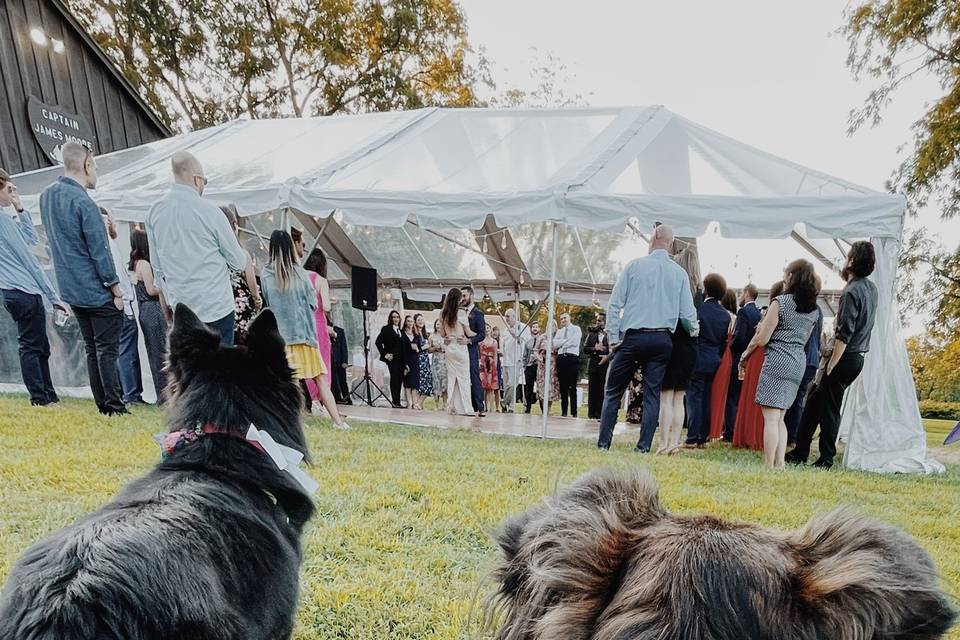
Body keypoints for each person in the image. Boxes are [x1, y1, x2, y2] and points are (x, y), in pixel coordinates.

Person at [40, 142, 127, 416]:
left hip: (70, 287)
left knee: (92, 348)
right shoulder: (84, 203)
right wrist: (116, 289)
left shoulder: (47, 196)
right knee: (107, 350)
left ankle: (103, 404)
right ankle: (114, 405)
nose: (97, 173)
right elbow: (99, 252)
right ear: (87, 164)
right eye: (96, 167)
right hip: (95, 288)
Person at [597, 225, 699, 452]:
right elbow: (687, 315)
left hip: (632, 337)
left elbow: (614, 305)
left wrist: (613, 338)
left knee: (613, 391)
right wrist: (694, 330)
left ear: (653, 238)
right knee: (652, 394)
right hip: (662, 340)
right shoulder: (679, 273)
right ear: (671, 243)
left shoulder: (634, 266)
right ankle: (643, 447)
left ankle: (604, 443)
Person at [788, 242, 879, 468]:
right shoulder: (871, 289)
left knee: (829, 408)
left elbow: (844, 333)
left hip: (844, 357)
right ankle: (800, 450)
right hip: (857, 356)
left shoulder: (851, 291)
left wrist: (830, 365)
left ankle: (826, 457)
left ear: (851, 260)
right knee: (814, 404)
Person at [146, 152, 247, 346]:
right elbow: (238, 262)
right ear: (196, 178)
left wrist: (167, 305)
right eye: (205, 181)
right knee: (219, 371)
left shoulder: (154, 213)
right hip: (216, 308)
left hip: (183, 310)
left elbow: (157, 267)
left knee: (190, 372)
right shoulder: (211, 212)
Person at [260, 230, 349, 429]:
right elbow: (313, 304)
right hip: (305, 335)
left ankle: (290, 422)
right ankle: (338, 422)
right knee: (320, 380)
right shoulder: (301, 273)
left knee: (285, 382)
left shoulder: (266, 274)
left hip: (281, 337)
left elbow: (267, 302)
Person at [739, 260, 821, 469]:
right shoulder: (814, 310)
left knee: (771, 419)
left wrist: (746, 354)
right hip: (797, 363)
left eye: (786, 273)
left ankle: (768, 464)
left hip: (777, 360)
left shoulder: (780, 302)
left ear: (792, 276)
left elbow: (763, 337)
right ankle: (780, 463)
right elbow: (806, 338)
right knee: (781, 417)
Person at [0, 169, 68, 407]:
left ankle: (47, 394)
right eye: (9, 189)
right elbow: (30, 260)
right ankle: (40, 397)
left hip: (15, 291)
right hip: (23, 289)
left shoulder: (7, 219)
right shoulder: (3, 221)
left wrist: (19, 207)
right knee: (32, 345)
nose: (13, 192)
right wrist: (53, 296)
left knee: (38, 344)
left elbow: (29, 239)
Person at [733, 281, 783, 452]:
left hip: (759, 356)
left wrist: (745, 354)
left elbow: (759, 338)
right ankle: (758, 436)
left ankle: (749, 435)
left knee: (753, 396)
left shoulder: (773, 309)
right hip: (770, 356)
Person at [101, 208, 144, 406]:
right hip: (122, 305)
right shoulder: (108, 245)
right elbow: (116, 275)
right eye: (112, 220)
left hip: (120, 304)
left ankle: (126, 392)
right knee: (126, 352)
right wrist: (124, 301)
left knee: (121, 351)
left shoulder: (105, 245)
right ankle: (131, 394)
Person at [684, 274, 730, 447]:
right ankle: (703, 437)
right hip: (714, 359)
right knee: (707, 398)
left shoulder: (699, 310)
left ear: (706, 289)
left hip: (698, 355)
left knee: (694, 397)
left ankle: (692, 437)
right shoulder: (725, 315)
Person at [128, 229, 169, 404]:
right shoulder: (144, 264)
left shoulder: (134, 264)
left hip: (144, 310)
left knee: (154, 351)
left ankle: (162, 393)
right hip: (153, 309)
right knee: (160, 351)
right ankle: (164, 394)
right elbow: (151, 289)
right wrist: (165, 286)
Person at [784, 275, 823, 445]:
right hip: (812, 359)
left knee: (789, 398)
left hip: (800, 355)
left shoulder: (801, 307)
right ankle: (793, 437)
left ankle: (787, 435)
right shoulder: (818, 310)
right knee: (799, 399)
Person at [218, 205, 262, 344]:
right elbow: (252, 284)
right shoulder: (242, 254)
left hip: (222, 306)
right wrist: (257, 300)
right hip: (243, 307)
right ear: (234, 225)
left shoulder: (214, 256)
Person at [724, 284, 761, 441]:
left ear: (746, 293)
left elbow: (739, 336)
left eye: (741, 293)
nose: (739, 296)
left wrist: (728, 350)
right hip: (752, 359)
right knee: (742, 397)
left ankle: (730, 432)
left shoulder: (744, 312)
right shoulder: (758, 314)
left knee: (732, 396)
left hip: (739, 357)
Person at [656, 318, 697, 455]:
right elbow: (691, 324)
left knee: (666, 398)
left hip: (668, 344)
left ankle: (663, 443)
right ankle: (674, 443)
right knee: (679, 398)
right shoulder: (690, 302)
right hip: (688, 348)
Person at [437, 287, 476, 416]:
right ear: (459, 299)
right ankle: (466, 408)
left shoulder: (443, 314)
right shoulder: (462, 313)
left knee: (452, 377)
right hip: (460, 347)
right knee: (464, 378)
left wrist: (448, 337)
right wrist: (478, 335)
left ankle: (452, 406)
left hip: (450, 348)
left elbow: (442, 334)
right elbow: (469, 332)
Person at [302, 248, 333, 405]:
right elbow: (326, 306)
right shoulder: (321, 280)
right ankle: (318, 400)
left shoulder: (300, 277)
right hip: (318, 324)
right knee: (321, 362)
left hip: (303, 323)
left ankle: (309, 399)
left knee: (305, 360)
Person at [708, 289, 739, 440]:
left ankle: (711, 427)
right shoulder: (734, 317)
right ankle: (717, 428)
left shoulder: (721, 315)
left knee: (713, 392)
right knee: (722, 395)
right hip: (728, 356)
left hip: (720, 353)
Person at [461, 286, 487, 415]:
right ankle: (466, 406)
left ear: (471, 296)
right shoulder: (459, 312)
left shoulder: (478, 313)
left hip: (471, 351)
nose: (462, 298)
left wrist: (470, 341)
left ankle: (480, 407)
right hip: (459, 350)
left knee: (474, 378)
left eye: (464, 296)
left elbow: (482, 334)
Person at [553, 311, 583, 418]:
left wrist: (563, 342)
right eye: (561, 319)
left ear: (569, 318)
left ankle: (574, 412)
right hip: (561, 358)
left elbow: (575, 342)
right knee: (563, 386)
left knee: (572, 386)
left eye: (564, 318)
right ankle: (564, 411)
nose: (563, 320)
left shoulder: (576, 329)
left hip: (572, 358)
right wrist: (565, 341)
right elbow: (555, 344)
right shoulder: (560, 331)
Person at [375, 310, 404, 408]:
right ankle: (394, 401)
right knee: (394, 378)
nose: (396, 319)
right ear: (391, 319)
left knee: (399, 379)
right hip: (392, 359)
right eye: (394, 317)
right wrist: (385, 354)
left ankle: (397, 401)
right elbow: (378, 342)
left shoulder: (400, 331)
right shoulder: (386, 329)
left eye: (397, 317)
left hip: (401, 359)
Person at [584, 312, 610, 420]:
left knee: (601, 389)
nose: (598, 322)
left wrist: (605, 351)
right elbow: (585, 348)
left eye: (600, 320)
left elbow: (614, 349)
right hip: (594, 363)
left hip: (605, 363)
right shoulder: (592, 334)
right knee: (592, 389)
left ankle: (600, 413)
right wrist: (595, 348)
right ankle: (591, 413)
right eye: (597, 320)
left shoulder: (610, 334)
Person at [500, 309, 525, 412]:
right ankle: (509, 407)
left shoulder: (521, 327)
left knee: (512, 384)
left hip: (515, 360)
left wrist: (514, 334)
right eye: (505, 316)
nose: (506, 318)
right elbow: (503, 345)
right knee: (506, 386)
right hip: (505, 361)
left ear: (514, 317)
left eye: (508, 316)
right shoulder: (505, 330)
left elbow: (521, 341)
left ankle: (504, 402)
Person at [536, 320, 560, 414]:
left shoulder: (557, 338)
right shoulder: (542, 337)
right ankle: (543, 409)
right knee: (542, 386)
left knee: (551, 386)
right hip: (543, 364)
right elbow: (535, 350)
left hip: (553, 365)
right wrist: (539, 358)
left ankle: (549, 410)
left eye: (553, 326)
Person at [400, 315, 422, 410]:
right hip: (406, 360)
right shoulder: (402, 334)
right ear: (405, 322)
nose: (410, 323)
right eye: (408, 321)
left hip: (415, 360)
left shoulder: (417, 336)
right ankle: (409, 403)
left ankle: (415, 403)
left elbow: (420, 348)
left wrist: (417, 348)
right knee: (407, 383)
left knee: (414, 383)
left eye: (411, 321)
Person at [329, 321, 351, 404]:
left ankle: (347, 398)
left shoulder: (340, 331)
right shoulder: (321, 330)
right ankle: (336, 398)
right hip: (328, 360)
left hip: (339, 360)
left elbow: (344, 347)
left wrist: (345, 361)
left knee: (342, 380)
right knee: (333, 380)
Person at [480, 326, 501, 414]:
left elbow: (495, 354)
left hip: (491, 363)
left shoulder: (494, 342)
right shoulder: (480, 341)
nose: (486, 329)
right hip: (483, 363)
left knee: (491, 387)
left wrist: (495, 366)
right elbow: (479, 353)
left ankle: (492, 407)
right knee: (484, 386)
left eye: (488, 328)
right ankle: (485, 406)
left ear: (490, 330)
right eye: (485, 328)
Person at [428, 318, 448, 411]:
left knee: (445, 382)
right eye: (437, 324)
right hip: (436, 360)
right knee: (436, 382)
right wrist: (435, 348)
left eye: (440, 324)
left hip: (444, 360)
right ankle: (436, 404)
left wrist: (444, 348)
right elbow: (428, 350)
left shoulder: (446, 336)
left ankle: (444, 404)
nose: (438, 325)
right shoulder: (431, 336)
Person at [414, 314, 433, 407]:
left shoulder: (425, 334)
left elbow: (428, 349)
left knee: (428, 383)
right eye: (418, 320)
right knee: (419, 383)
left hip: (425, 360)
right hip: (418, 360)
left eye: (422, 319)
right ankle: (417, 404)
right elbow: (415, 348)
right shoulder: (415, 333)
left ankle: (418, 403)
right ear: (415, 322)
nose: (421, 321)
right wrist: (423, 347)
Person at [522, 324, 541, 413]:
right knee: (528, 388)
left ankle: (542, 408)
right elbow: (524, 355)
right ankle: (528, 407)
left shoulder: (542, 341)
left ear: (539, 329)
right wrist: (525, 365)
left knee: (540, 387)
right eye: (533, 327)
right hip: (529, 367)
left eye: (536, 327)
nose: (535, 329)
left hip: (539, 366)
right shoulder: (528, 342)